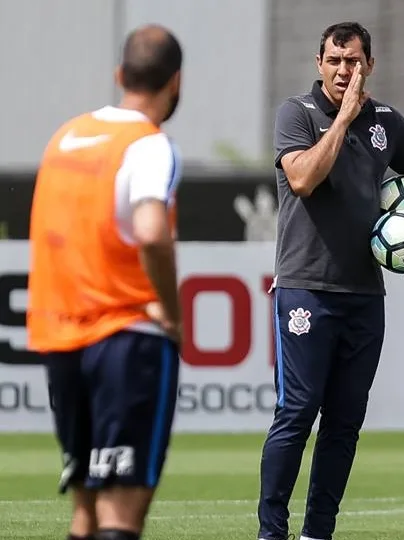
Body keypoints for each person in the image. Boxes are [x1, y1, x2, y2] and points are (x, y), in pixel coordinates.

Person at [257, 21, 404, 540]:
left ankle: (316, 533)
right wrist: (344, 118)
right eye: (334, 61)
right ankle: (270, 531)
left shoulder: (388, 122)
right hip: (305, 287)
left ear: (370, 64)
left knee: (345, 421)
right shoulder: (296, 114)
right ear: (319, 64)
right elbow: (302, 179)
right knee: (298, 412)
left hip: (365, 294)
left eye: (354, 61)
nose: (344, 70)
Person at [26, 25, 184, 540]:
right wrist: (169, 309)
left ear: (120, 75)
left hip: (61, 339)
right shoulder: (149, 144)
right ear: (176, 82)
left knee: (85, 515)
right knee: (120, 518)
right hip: (125, 338)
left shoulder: (66, 136)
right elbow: (151, 232)